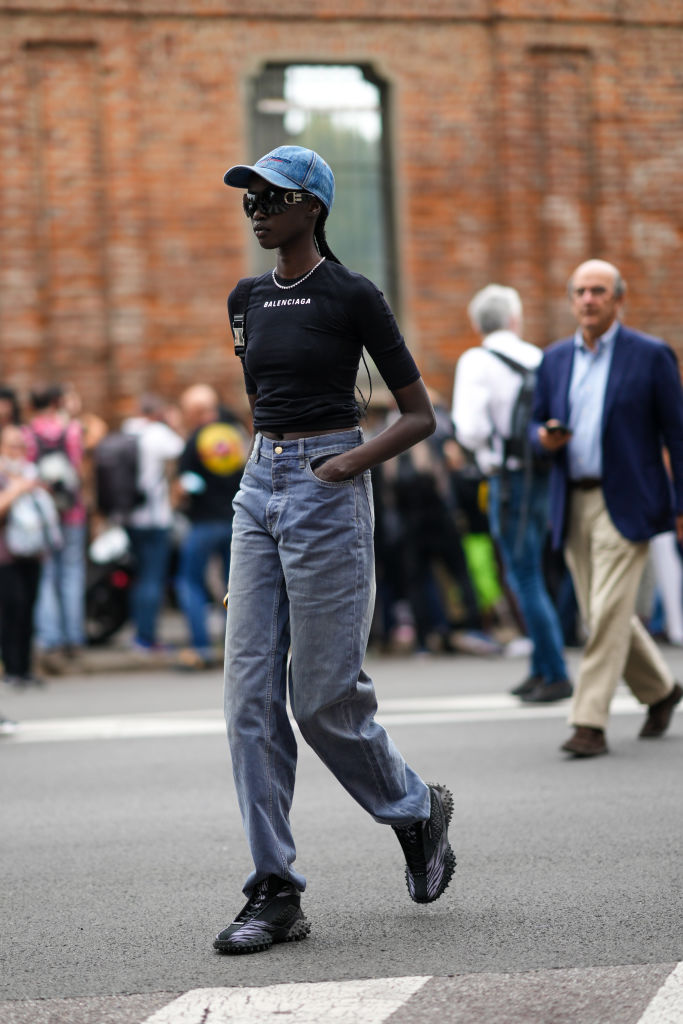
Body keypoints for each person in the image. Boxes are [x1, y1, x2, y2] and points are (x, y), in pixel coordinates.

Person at [214, 145, 455, 955]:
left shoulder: (351, 293)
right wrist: (268, 490)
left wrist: (344, 465)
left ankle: (415, 808)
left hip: (327, 486)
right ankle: (273, 888)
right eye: (248, 197)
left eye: (270, 196)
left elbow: (418, 416)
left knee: (322, 701)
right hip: (258, 488)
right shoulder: (244, 299)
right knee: (248, 699)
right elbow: (265, 406)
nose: (255, 209)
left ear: (310, 206)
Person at [532, 259, 683, 757]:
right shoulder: (553, 360)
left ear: (618, 299)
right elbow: (534, 428)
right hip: (572, 499)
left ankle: (589, 723)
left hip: (629, 500)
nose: (588, 300)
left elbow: (677, 436)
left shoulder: (651, 356)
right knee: (605, 614)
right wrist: (545, 439)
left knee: (603, 613)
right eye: (580, 291)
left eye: (598, 291)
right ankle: (661, 691)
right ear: (571, 300)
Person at [452, 285, 572, 701]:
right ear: (514, 320)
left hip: (507, 477)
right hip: (542, 472)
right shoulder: (538, 356)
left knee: (522, 573)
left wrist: (484, 447)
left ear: (476, 323)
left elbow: (469, 427)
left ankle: (555, 671)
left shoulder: (477, 360)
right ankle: (541, 667)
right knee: (533, 568)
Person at [174, 385, 247, 670]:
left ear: (194, 411)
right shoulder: (236, 434)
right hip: (236, 520)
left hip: (203, 522)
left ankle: (201, 647)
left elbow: (183, 486)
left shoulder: (195, 440)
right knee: (236, 587)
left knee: (189, 582)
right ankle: (235, 649)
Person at [25, 384, 87, 674]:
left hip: (43, 515)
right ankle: (73, 637)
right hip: (73, 511)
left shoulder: (28, 433)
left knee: (47, 575)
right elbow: (80, 470)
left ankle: (49, 639)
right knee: (72, 573)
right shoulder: (72, 430)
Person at [121, 394, 185, 652]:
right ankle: (146, 637)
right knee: (152, 579)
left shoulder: (128, 429)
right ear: (158, 412)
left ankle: (138, 631)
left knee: (139, 576)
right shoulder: (159, 434)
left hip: (129, 516)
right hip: (154, 517)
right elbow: (183, 448)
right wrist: (172, 422)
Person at [0, 425, 47, 687]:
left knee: (29, 607)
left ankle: (26, 668)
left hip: (33, 551)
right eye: (11, 445)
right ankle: (12, 669)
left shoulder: (31, 473)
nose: (17, 451)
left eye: (21, 446)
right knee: (12, 609)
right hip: (5, 554)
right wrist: (16, 490)